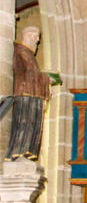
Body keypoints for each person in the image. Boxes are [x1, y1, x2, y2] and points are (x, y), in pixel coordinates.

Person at [5, 26, 52, 161]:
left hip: (33, 93)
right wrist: (46, 78)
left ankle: (26, 151)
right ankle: (17, 152)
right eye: (35, 36)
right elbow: (28, 73)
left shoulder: (29, 54)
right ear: (27, 35)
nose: (38, 40)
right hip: (24, 93)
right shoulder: (21, 51)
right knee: (24, 123)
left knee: (32, 124)